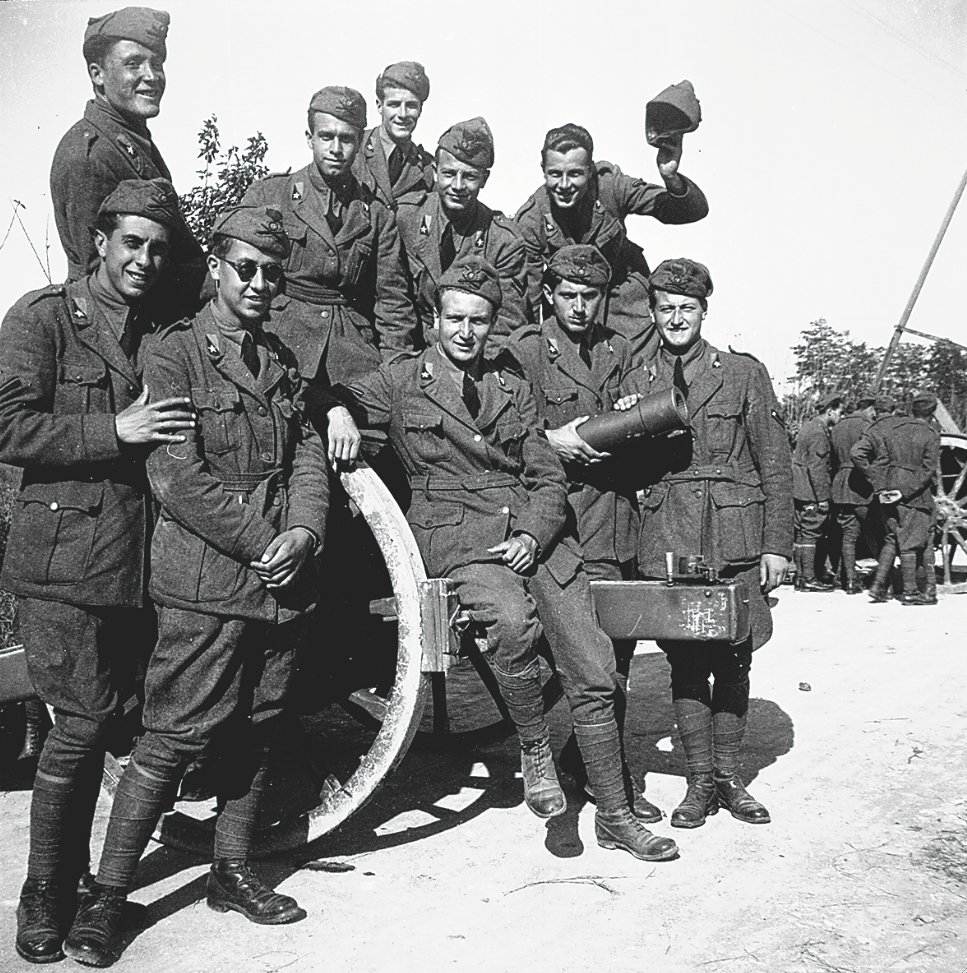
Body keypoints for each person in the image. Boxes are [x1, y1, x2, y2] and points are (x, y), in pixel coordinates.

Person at [327, 255, 679, 863]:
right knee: (512, 622)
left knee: (594, 666)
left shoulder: (511, 384)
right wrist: (336, 412)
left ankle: (615, 816)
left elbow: (546, 475)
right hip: (460, 542)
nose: (466, 332)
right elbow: (328, 394)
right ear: (434, 319)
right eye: (455, 319)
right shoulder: (403, 379)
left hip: (534, 540)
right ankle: (536, 746)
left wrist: (535, 536)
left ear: (493, 324)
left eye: (479, 321)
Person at [62, 206, 329, 967]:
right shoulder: (175, 352)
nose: (259, 283)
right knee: (175, 732)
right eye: (245, 268)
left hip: (282, 581)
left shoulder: (279, 357)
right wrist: (264, 542)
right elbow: (178, 478)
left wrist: (304, 531)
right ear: (216, 267)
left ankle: (230, 871)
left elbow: (307, 450)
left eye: (272, 273)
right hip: (208, 579)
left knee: (259, 724)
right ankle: (108, 896)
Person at [0, 179, 195, 965]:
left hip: (136, 562)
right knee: (80, 723)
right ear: (101, 242)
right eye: (132, 243)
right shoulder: (44, 318)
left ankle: (80, 879)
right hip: (61, 560)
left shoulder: (165, 330)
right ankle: (45, 888)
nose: (144, 259)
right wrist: (114, 428)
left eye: (158, 248)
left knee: (105, 722)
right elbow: (8, 424)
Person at [634, 258, 793, 829]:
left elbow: (775, 463)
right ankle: (699, 782)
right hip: (671, 535)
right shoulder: (636, 378)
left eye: (688, 308)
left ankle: (729, 776)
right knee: (685, 662)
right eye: (666, 309)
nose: (677, 318)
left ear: (704, 311)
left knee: (733, 658)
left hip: (734, 538)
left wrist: (777, 544)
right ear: (653, 313)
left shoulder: (743, 374)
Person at [505, 244, 659, 821]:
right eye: (567, 294)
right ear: (548, 294)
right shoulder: (524, 350)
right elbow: (506, 430)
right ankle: (599, 775)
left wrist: (631, 414)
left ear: (603, 299)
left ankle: (595, 765)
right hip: (562, 523)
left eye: (589, 296)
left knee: (618, 656)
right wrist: (554, 439)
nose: (578, 306)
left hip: (615, 519)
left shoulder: (618, 349)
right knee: (586, 659)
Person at [241, 85, 417, 392]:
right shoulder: (270, 195)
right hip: (279, 337)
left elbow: (393, 303)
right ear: (309, 138)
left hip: (349, 351)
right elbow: (234, 274)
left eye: (346, 139)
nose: (336, 148)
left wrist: (395, 374)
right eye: (326, 136)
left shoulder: (377, 215)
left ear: (360, 142)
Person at [49, 6, 206, 323]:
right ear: (98, 74)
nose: (152, 76)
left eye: (157, 64)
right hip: (127, 332)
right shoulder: (89, 156)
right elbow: (111, 282)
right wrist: (218, 283)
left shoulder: (132, 141)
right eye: (134, 64)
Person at [514, 122, 708, 362]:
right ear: (543, 170)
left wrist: (670, 177)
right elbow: (531, 300)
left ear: (590, 171)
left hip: (625, 300)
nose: (564, 185)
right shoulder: (532, 220)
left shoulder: (610, 186)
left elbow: (691, 210)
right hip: (572, 308)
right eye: (555, 174)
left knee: (637, 370)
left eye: (575, 174)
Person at [396, 117, 529, 350]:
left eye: (469, 176)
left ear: (484, 179)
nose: (458, 186)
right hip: (414, 349)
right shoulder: (406, 218)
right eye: (449, 174)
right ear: (435, 172)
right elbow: (393, 304)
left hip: (473, 353)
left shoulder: (503, 241)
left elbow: (507, 325)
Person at [851, 393, 940, 606]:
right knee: (917, 540)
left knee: (892, 537)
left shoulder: (894, 429)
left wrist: (883, 487)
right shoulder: (930, 434)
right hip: (915, 494)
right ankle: (911, 591)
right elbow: (928, 470)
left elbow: (882, 461)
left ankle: (878, 586)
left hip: (889, 490)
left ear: (912, 409)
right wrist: (905, 491)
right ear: (932, 412)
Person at [352, 61, 435, 211]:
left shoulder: (427, 169)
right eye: (394, 105)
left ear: (420, 110)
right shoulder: (354, 148)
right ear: (379, 106)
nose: (403, 114)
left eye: (411, 105)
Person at [792, 392, 843, 591]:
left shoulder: (808, 427)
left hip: (800, 490)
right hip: (811, 493)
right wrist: (822, 498)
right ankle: (809, 579)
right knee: (811, 534)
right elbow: (818, 468)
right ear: (830, 411)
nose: (840, 416)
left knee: (802, 534)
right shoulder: (819, 434)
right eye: (839, 412)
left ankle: (801, 577)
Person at [830, 392, 876, 593]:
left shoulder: (838, 427)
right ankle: (885, 578)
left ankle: (848, 580)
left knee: (849, 534)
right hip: (860, 484)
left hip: (840, 484)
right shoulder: (867, 426)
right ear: (870, 408)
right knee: (875, 531)